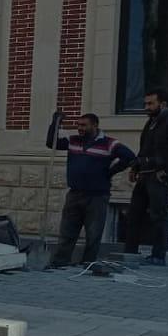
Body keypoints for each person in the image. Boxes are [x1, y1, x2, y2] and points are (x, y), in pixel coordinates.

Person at [46, 112, 135, 266]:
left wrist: (111, 171)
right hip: (74, 194)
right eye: (78, 125)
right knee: (67, 231)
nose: (80, 128)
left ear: (94, 125)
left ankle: (88, 264)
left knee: (93, 234)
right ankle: (60, 262)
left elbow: (130, 157)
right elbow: (51, 143)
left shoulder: (109, 143)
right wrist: (55, 123)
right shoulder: (73, 141)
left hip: (97, 197)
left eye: (84, 125)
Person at [123, 88, 168, 266]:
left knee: (158, 216)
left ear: (163, 104)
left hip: (158, 176)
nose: (146, 107)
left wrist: (167, 172)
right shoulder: (151, 122)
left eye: (151, 103)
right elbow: (144, 148)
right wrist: (135, 168)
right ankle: (130, 253)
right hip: (144, 175)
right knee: (134, 214)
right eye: (145, 103)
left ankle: (158, 256)